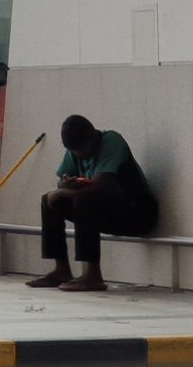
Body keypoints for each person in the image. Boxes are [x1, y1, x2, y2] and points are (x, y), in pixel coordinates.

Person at [31, 113, 156, 292]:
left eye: (82, 150)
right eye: (75, 152)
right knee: (49, 201)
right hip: (106, 212)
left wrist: (64, 191)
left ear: (92, 137)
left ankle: (93, 275)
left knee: (83, 199)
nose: (80, 155)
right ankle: (61, 269)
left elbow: (102, 185)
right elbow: (61, 181)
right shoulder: (74, 149)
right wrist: (64, 185)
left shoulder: (111, 141)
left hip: (137, 212)